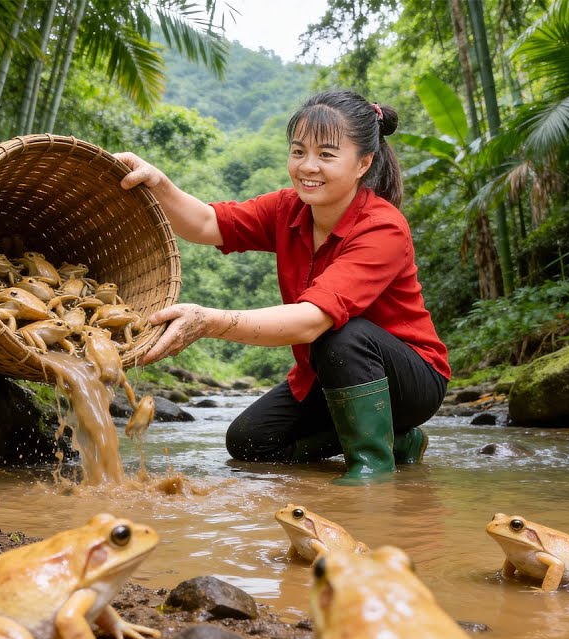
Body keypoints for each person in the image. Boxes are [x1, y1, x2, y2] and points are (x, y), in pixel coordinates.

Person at [114, 90, 450, 484]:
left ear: (363, 163)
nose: (308, 166)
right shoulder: (287, 208)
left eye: (326, 155)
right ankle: (399, 442)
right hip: (327, 374)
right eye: (298, 152)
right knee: (250, 442)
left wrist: (208, 321)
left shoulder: (383, 227)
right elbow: (206, 224)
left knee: (343, 334)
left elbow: (310, 322)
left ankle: (372, 470)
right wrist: (158, 183)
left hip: (408, 381)